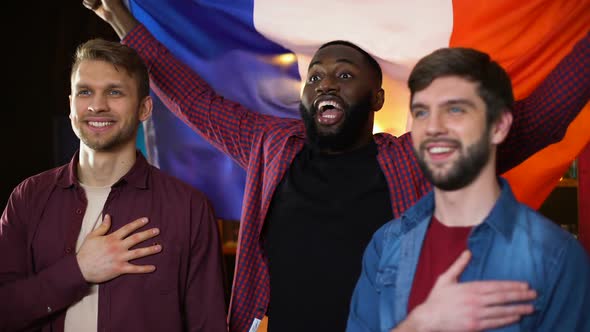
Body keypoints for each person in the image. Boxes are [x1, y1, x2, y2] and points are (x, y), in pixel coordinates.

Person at [84, 1, 590, 331]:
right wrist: (125, 24)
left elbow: (532, 124)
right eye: (316, 76)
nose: (325, 82)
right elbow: (196, 100)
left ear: (376, 95)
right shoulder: (270, 146)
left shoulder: (413, 159)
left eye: (344, 74)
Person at [347, 47, 590, 332]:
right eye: (422, 112)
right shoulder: (387, 243)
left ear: (499, 126)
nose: (433, 127)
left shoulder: (555, 255)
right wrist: (422, 324)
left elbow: (549, 112)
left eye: (455, 109)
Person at [0, 38, 227, 332]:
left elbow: (207, 325)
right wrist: (78, 271)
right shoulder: (28, 197)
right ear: (71, 106)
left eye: (114, 92)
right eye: (85, 92)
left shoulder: (189, 207)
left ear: (144, 108)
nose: (97, 105)